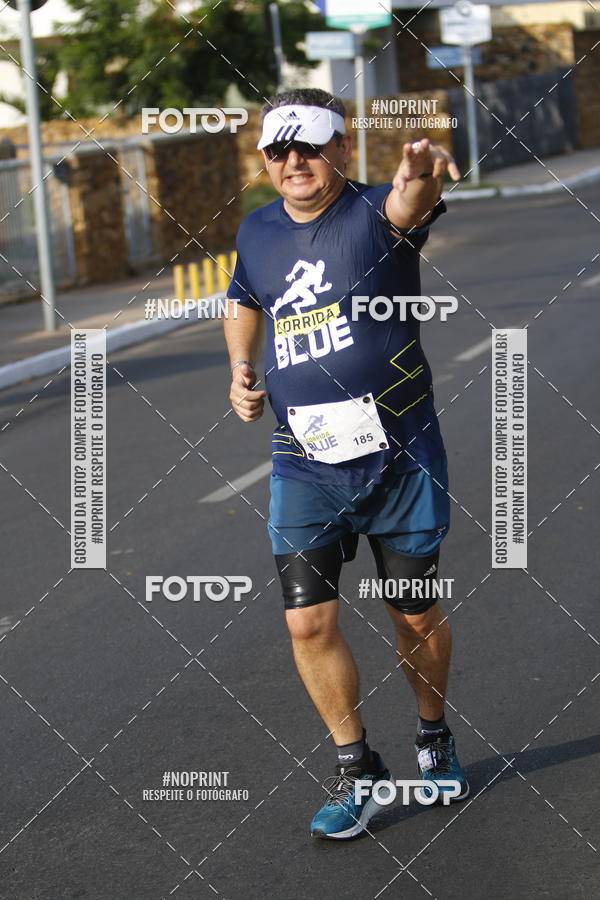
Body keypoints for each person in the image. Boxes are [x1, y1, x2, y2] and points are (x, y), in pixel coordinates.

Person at [223, 88, 469, 840]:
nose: (294, 161)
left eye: (310, 146)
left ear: (342, 148)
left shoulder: (371, 213)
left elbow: (409, 202)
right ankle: (358, 769)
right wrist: (240, 367)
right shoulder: (257, 229)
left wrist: (420, 173)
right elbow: (244, 297)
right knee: (307, 622)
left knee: (412, 610)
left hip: (400, 455)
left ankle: (433, 734)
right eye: (279, 149)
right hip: (304, 460)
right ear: (265, 158)